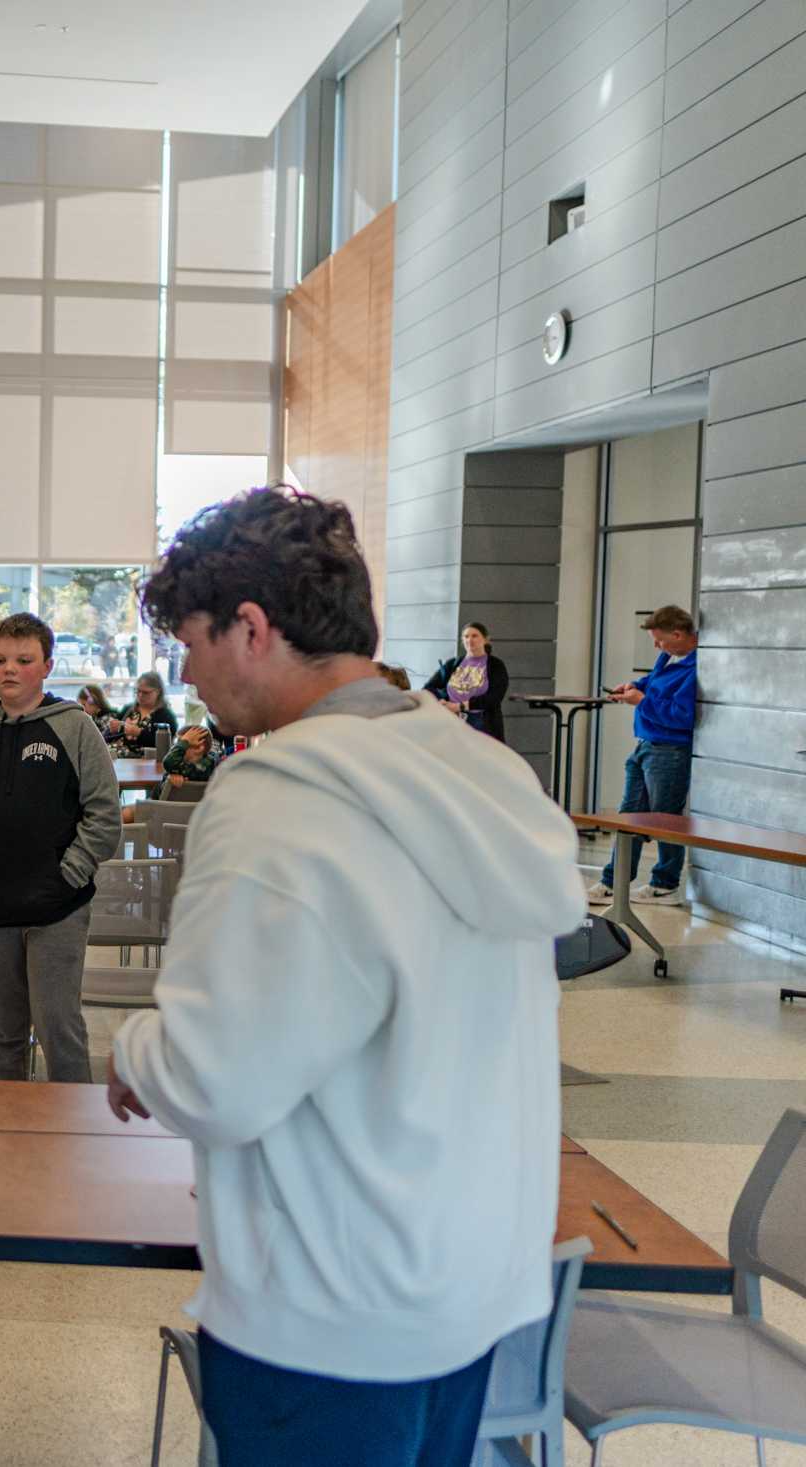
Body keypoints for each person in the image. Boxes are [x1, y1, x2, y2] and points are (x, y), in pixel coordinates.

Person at [104, 487, 581, 1467]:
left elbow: (213, 1078)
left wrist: (131, 1047)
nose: (185, 674)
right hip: (465, 1289)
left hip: (328, 1312)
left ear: (250, 627)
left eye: (189, 642)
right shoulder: (477, 770)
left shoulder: (281, 796)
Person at [0, 613, 119, 1084]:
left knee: (59, 1028)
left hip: (57, 909)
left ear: (47, 666)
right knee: (5, 1031)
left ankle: (74, 1132)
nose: (9, 669)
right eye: (0, 659)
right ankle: (7, 1136)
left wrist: (67, 875)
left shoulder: (75, 729)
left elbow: (103, 818)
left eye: (23, 660)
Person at [588, 605, 699, 905]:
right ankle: (615, 881)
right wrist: (634, 687)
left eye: (659, 640)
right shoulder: (668, 657)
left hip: (669, 751)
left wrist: (642, 701)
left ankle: (665, 884)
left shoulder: (694, 669)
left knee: (665, 819)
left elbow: (681, 716)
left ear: (678, 634)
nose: (656, 646)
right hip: (645, 746)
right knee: (630, 815)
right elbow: (652, 683)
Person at [423, 623, 509, 740]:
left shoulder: (496, 665)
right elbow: (428, 688)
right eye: (466, 636)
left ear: (485, 639)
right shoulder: (453, 663)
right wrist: (441, 702)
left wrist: (459, 706)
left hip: (482, 724)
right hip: (452, 722)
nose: (470, 640)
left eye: (475, 636)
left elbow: (494, 697)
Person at [105, 671, 178, 754]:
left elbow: (165, 745)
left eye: (145, 693)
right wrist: (112, 730)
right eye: (138, 691)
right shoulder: (128, 710)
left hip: (149, 761)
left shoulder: (166, 716)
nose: (140, 695)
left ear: (158, 692)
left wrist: (139, 733)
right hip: (121, 758)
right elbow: (106, 738)